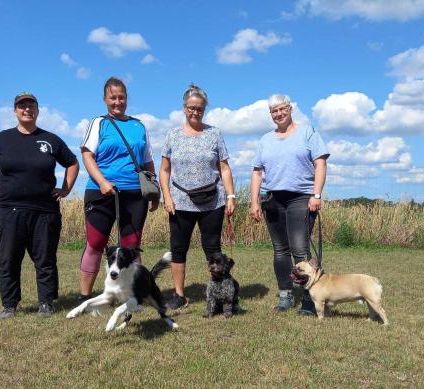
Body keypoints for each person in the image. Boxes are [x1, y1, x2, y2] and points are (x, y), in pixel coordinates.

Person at [0, 92, 79, 319]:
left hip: (45, 211)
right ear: (15, 111)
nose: (27, 109)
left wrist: (66, 188)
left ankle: (46, 302)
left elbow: (72, 163)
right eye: (22, 106)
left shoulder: (51, 140)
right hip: (9, 210)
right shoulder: (1, 139)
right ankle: (10, 305)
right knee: (8, 259)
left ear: (37, 110)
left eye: (31, 105)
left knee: (45, 259)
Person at [77, 77, 159, 302]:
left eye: (121, 97)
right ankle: (84, 296)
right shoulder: (98, 123)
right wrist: (102, 182)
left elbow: (148, 161)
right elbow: (87, 155)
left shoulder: (138, 125)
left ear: (127, 98)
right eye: (112, 97)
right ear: (105, 99)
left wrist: (155, 191)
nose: (117, 102)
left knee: (132, 247)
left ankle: (134, 294)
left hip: (135, 194)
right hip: (101, 192)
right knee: (95, 244)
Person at [249, 94, 329, 315]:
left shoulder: (307, 132)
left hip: (301, 197)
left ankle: (308, 299)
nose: (278, 114)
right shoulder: (265, 139)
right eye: (274, 111)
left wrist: (317, 194)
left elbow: (320, 163)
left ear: (290, 109)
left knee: (299, 249)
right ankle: (285, 294)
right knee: (279, 250)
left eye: (282, 109)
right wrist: (254, 201)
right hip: (273, 199)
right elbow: (257, 172)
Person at [159, 84, 236, 310]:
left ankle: (219, 294)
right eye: (191, 108)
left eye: (200, 108)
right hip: (180, 202)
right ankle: (179, 295)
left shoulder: (215, 133)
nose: (195, 112)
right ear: (184, 108)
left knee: (212, 249)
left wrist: (230, 195)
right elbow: (164, 170)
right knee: (178, 249)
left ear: (204, 109)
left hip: (213, 201)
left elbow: (224, 168)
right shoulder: (172, 135)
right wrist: (167, 197)